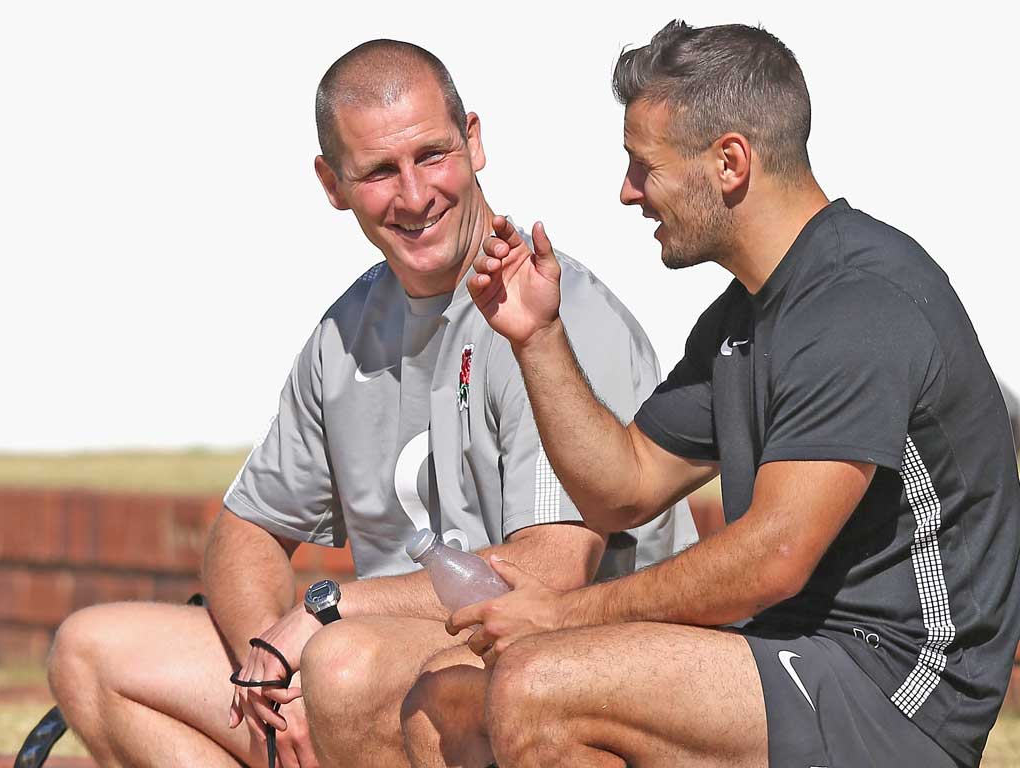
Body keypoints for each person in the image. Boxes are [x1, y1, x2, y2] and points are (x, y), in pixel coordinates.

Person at [44, 39, 693, 768]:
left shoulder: (554, 313)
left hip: (556, 677)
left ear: (474, 142)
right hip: (369, 674)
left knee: (345, 663)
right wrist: (274, 663)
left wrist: (328, 611)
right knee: (92, 652)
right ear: (332, 182)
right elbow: (245, 532)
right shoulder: (345, 332)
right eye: (380, 171)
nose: (414, 196)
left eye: (431, 155)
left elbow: (549, 572)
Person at [404, 20, 1020, 768]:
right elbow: (622, 490)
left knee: (540, 683)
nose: (628, 193)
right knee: (456, 696)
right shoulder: (746, 317)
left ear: (729, 161)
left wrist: (563, 616)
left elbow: (773, 557)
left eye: (644, 166)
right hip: (796, 658)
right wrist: (535, 336)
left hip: (896, 694)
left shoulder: (859, 305)